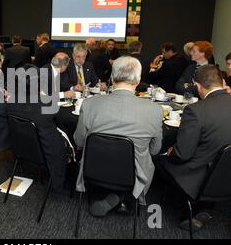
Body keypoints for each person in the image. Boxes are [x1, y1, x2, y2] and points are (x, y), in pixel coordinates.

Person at [74, 56, 163, 217]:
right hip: (133, 173)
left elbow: (78, 141)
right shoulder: (155, 110)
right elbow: (155, 150)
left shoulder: (89, 104)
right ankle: (125, 197)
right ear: (138, 79)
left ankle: (113, 195)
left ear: (112, 78)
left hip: (94, 167)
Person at [157, 65, 231, 231]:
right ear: (222, 81)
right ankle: (207, 206)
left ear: (198, 86)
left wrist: (171, 152)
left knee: (160, 158)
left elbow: (182, 155)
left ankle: (185, 208)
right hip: (225, 172)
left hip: (199, 175)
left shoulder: (196, 111)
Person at [7, 65, 69, 192]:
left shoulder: (11, 102)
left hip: (22, 147)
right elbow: (58, 120)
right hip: (46, 152)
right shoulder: (45, 104)